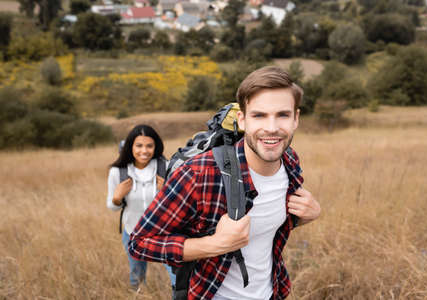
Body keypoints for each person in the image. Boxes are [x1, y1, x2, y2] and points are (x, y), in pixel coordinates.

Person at [128, 66, 321, 300]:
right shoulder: (199, 174)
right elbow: (140, 242)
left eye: (282, 115)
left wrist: (302, 217)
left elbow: (264, 227)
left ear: (296, 119)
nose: (271, 128)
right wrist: (214, 244)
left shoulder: (290, 161)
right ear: (242, 119)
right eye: (259, 115)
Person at [106, 124, 176, 291]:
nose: (144, 151)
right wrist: (117, 197)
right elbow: (112, 206)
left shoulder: (165, 168)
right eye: (139, 145)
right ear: (131, 147)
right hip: (133, 233)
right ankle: (137, 295)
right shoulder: (118, 171)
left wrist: (166, 191)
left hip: (163, 232)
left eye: (149, 146)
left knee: (176, 275)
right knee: (136, 274)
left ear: (156, 147)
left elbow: (177, 204)